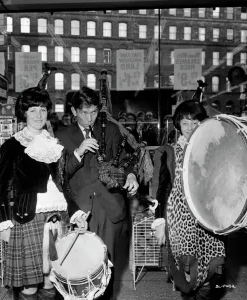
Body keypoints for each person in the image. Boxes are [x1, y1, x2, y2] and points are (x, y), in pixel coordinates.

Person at [0, 86, 81, 300]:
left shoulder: (55, 145)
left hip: (57, 218)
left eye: (42, 110)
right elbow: (3, 185)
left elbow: (63, 183)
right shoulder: (13, 145)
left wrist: (75, 212)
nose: (38, 115)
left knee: (51, 280)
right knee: (29, 285)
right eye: (33, 110)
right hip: (28, 219)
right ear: (24, 113)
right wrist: (5, 221)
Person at [55, 86, 139, 300]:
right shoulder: (62, 136)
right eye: (84, 112)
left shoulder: (110, 130)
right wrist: (78, 153)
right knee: (80, 266)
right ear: (74, 111)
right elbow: (59, 176)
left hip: (110, 208)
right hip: (79, 210)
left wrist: (130, 175)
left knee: (106, 266)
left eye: (94, 112)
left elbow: (126, 160)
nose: (90, 117)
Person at [152, 100, 226, 300]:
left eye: (195, 122)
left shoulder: (212, 151)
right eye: (185, 123)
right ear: (178, 125)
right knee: (188, 275)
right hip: (181, 222)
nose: (190, 128)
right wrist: (160, 222)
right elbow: (162, 190)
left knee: (212, 271)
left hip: (208, 220)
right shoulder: (169, 152)